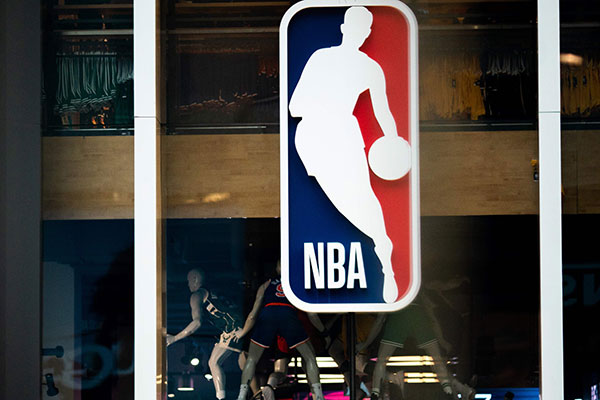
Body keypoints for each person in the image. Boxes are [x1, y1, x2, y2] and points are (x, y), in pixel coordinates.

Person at [289, 6, 403, 303]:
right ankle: (382, 244)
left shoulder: (368, 68)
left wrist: (393, 142)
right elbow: (294, 107)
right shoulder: (323, 59)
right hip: (316, 137)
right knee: (349, 200)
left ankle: (384, 253)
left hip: (338, 134)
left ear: (364, 33)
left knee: (362, 195)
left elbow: (383, 112)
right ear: (350, 30)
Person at [234, 262, 324, 400]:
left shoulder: (266, 285)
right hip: (288, 316)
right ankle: (319, 396)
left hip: (268, 315)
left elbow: (252, 315)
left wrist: (243, 332)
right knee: (310, 357)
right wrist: (324, 331)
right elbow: (312, 314)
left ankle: (241, 395)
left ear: (277, 268)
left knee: (252, 359)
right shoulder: (299, 284)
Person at [166, 269, 242, 400]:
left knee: (214, 362)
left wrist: (174, 338)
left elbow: (197, 322)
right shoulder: (214, 290)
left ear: (195, 279)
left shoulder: (197, 295)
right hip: (243, 324)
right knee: (245, 362)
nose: (188, 284)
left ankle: (221, 398)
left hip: (234, 327)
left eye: (189, 281)